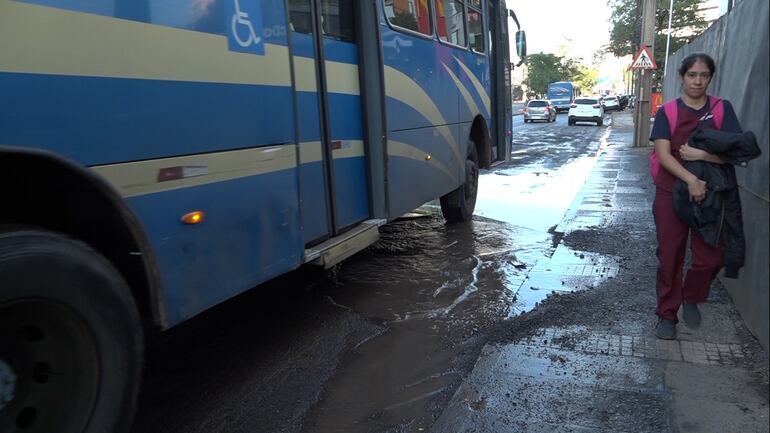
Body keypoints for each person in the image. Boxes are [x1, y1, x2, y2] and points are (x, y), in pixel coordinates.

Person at [648, 53, 743, 340]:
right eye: (692, 75)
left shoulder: (722, 109)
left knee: (710, 257)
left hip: (711, 193)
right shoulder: (669, 112)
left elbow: (736, 152)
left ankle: (692, 295)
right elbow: (664, 154)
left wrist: (702, 156)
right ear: (682, 77)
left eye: (704, 75)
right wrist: (691, 179)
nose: (698, 81)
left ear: (710, 78)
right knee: (670, 256)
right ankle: (666, 315)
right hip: (670, 192)